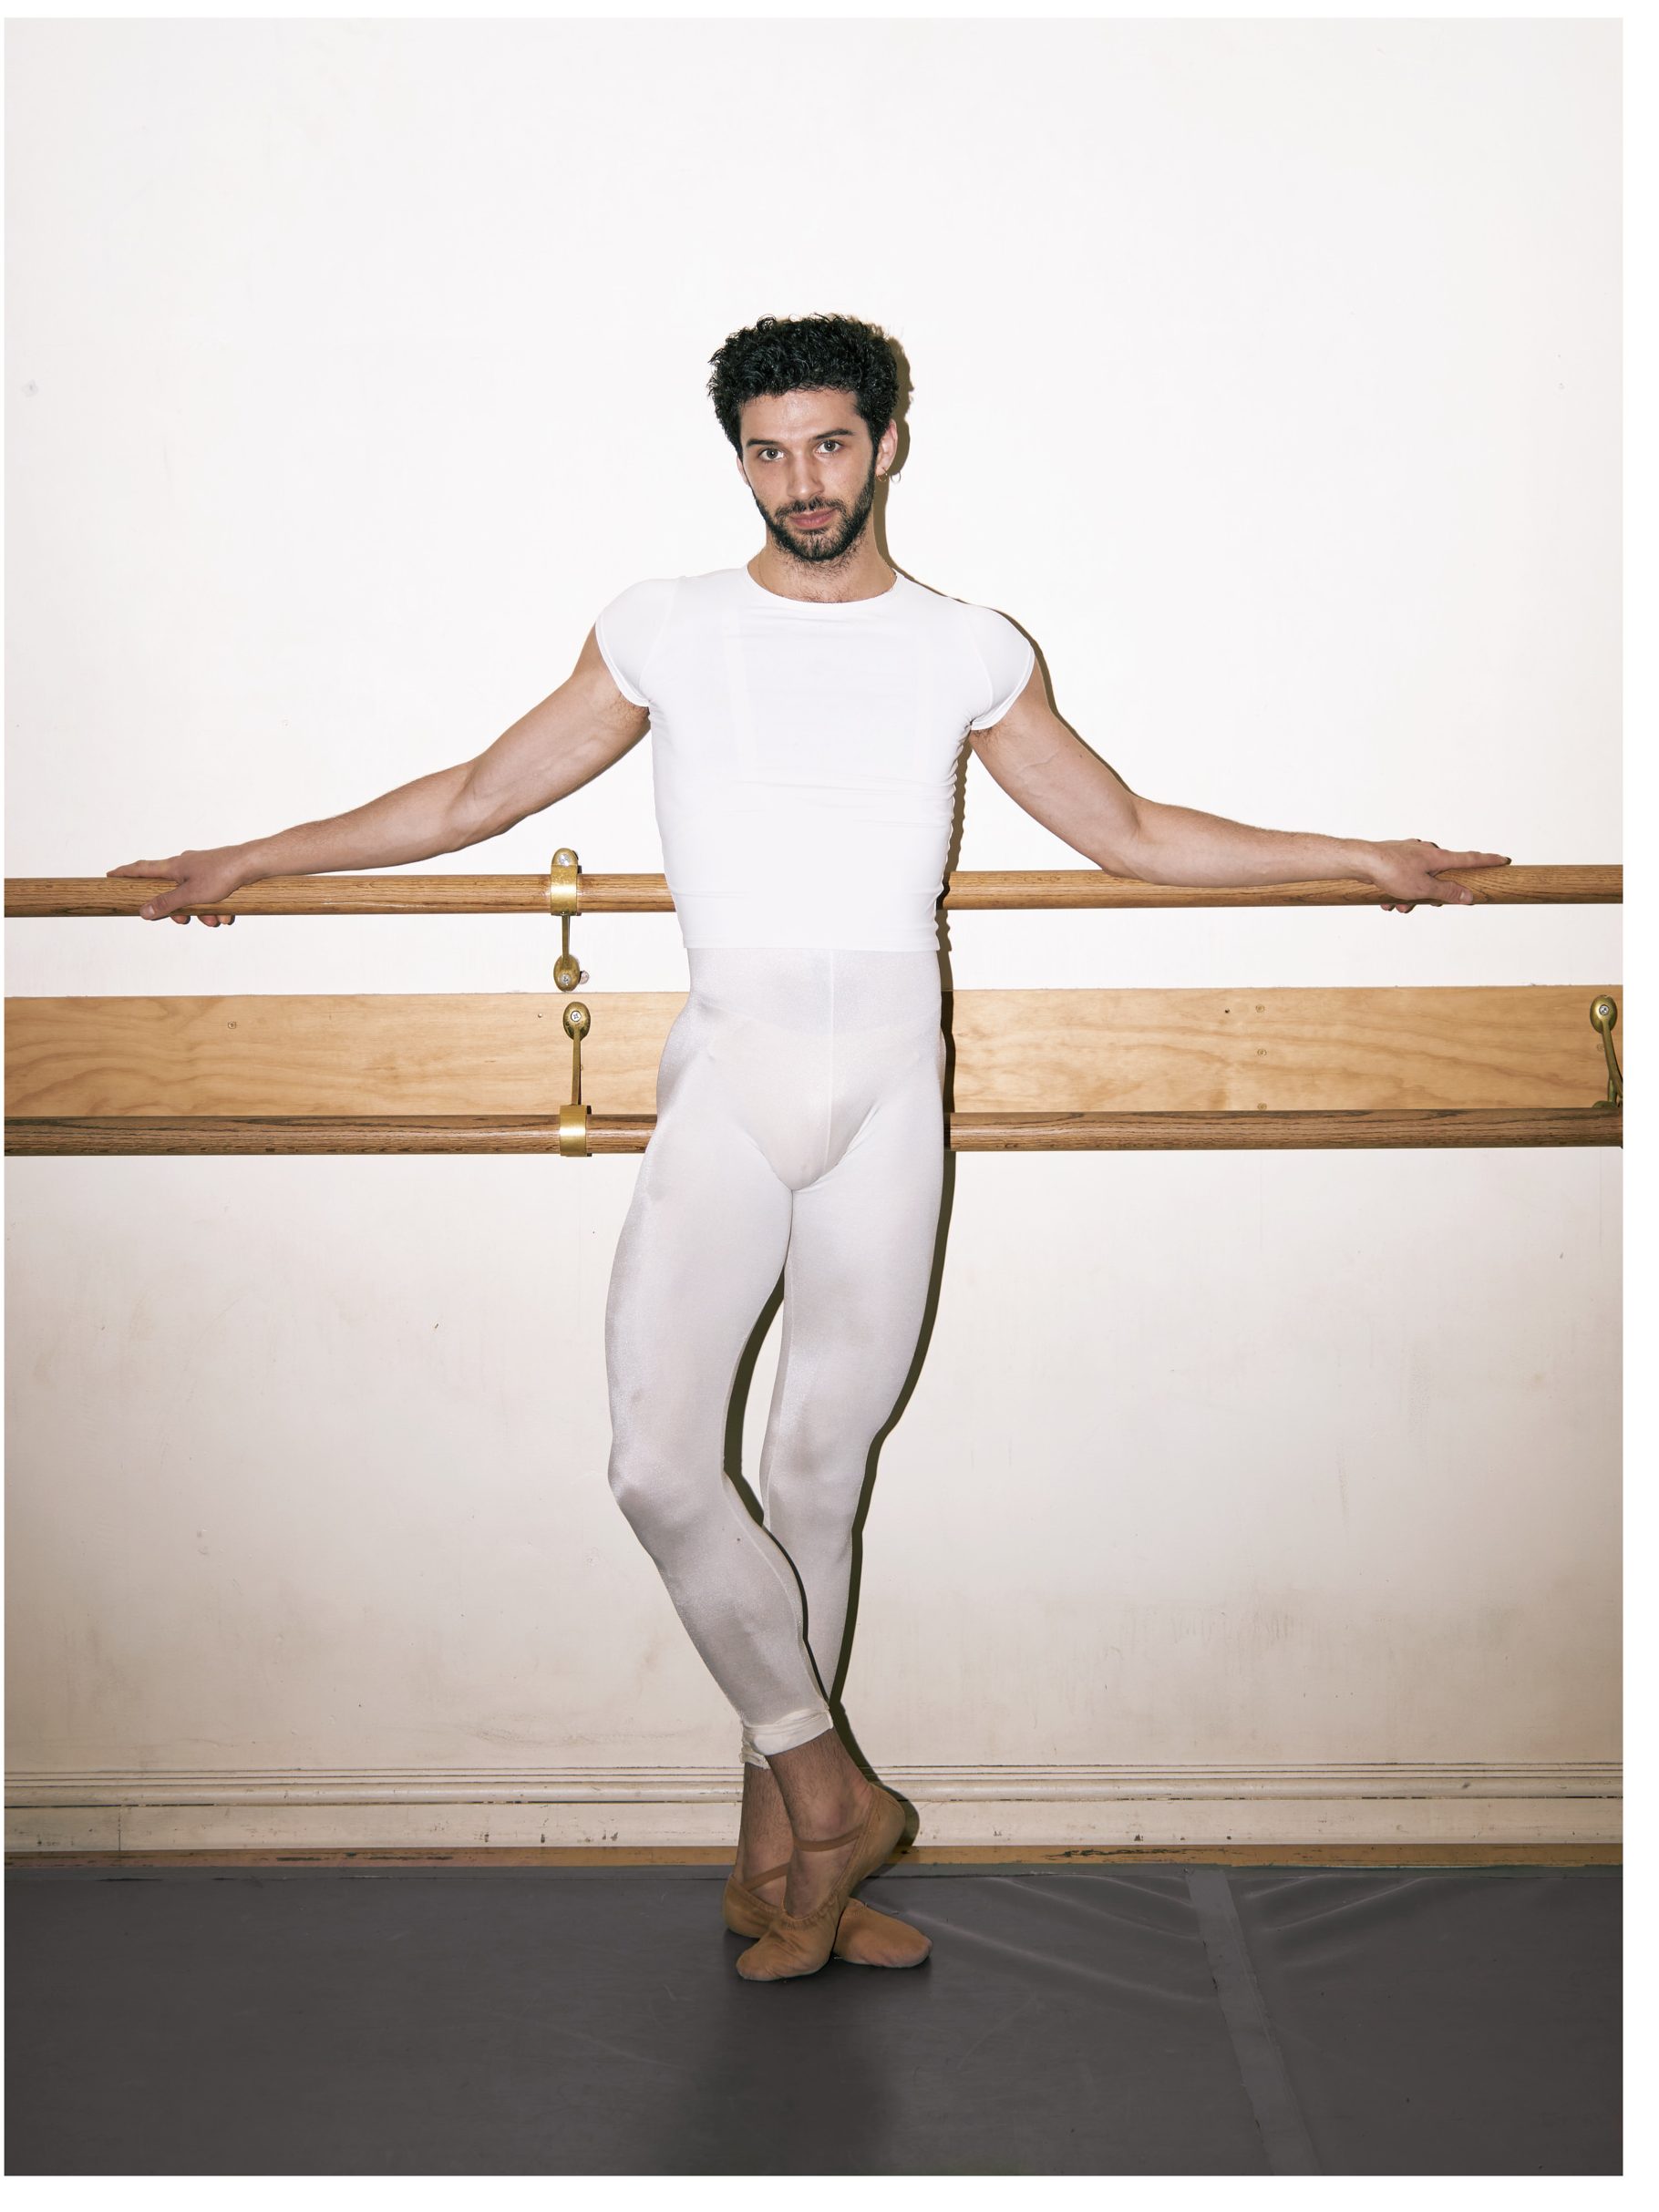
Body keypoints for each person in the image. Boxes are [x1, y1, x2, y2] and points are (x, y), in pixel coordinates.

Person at [109, 311, 1511, 1982]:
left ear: (888, 442)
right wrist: (252, 859)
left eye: (830, 445)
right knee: (656, 1467)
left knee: (818, 1481)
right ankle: (831, 1787)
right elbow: (476, 797)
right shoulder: (665, 628)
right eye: (769, 454)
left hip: (891, 1099)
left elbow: (1133, 833)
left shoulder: (969, 649)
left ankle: (788, 1871)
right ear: (741, 461)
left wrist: (1363, 859)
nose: (802, 482)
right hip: (734, 1075)